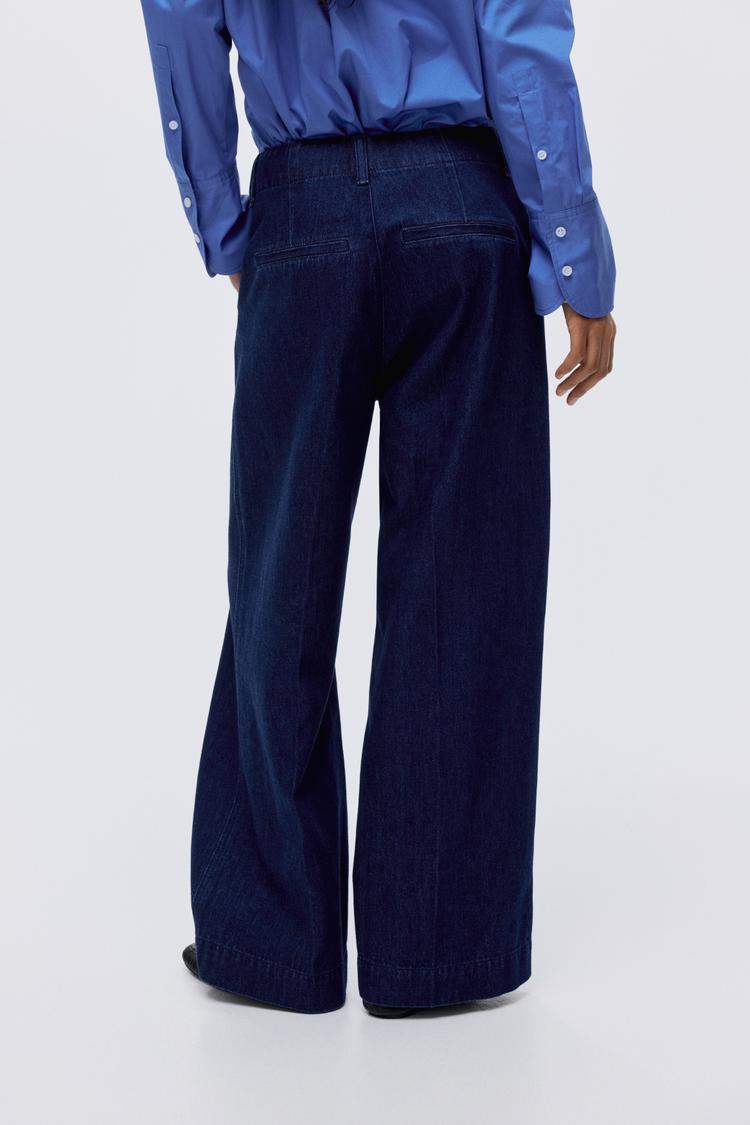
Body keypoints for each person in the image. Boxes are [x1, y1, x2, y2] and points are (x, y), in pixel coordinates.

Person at [139, 0, 616, 1018]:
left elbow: (178, 15)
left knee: (277, 582)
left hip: (299, 210)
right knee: (463, 592)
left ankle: (269, 942)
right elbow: (519, 35)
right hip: (461, 204)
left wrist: (225, 222)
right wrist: (574, 250)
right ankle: (436, 947)